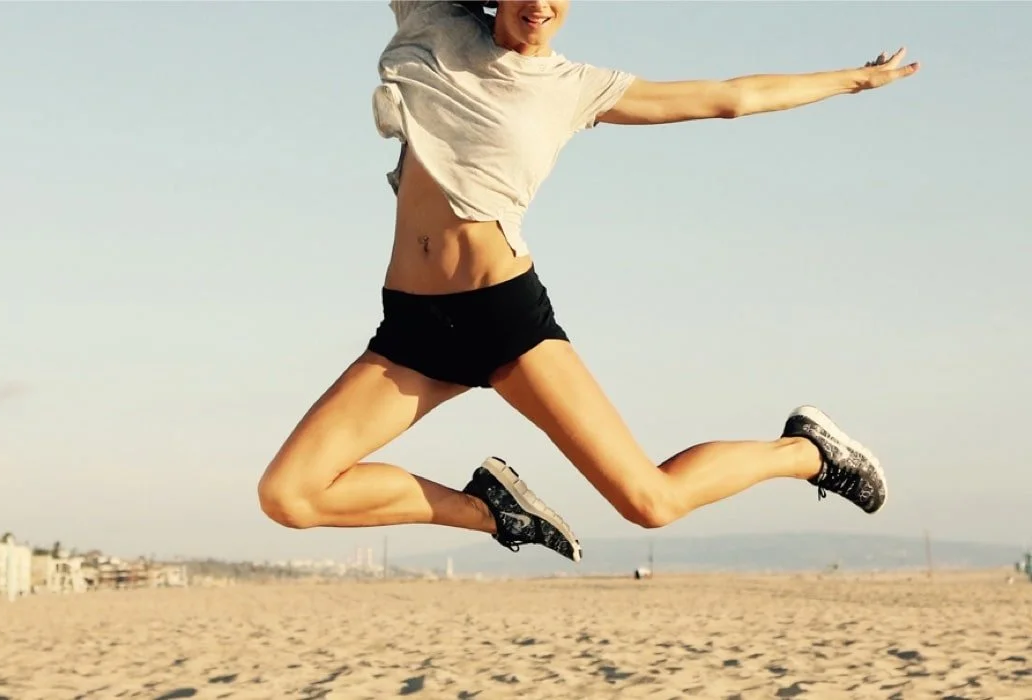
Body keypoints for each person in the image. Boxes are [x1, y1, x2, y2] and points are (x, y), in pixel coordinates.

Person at [256, 0, 916, 561]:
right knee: (290, 494)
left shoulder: (576, 87)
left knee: (650, 502)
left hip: (503, 320)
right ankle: (490, 513)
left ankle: (807, 452)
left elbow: (731, 98)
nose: (538, 2)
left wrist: (855, 79)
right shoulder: (431, 17)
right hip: (411, 329)